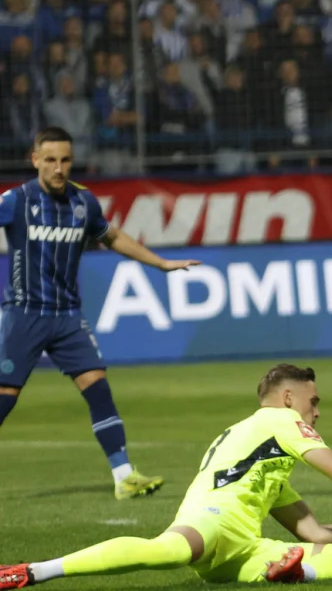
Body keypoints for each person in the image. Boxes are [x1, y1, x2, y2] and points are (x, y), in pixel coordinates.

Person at [0, 364, 332, 588]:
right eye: (313, 401)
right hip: (210, 520)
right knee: (167, 551)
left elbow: (315, 533)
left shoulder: (266, 457)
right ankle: (34, 572)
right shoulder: (279, 422)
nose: (317, 411)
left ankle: (288, 574)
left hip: (241, 552)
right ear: (289, 398)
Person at [0, 127, 200, 500]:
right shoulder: (16, 201)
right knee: (5, 397)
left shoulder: (82, 203)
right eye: (50, 160)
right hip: (24, 315)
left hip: (68, 317)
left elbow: (111, 236)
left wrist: (160, 264)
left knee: (98, 388)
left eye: (65, 160)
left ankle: (124, 477)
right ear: (35, 160)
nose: (59, 168)